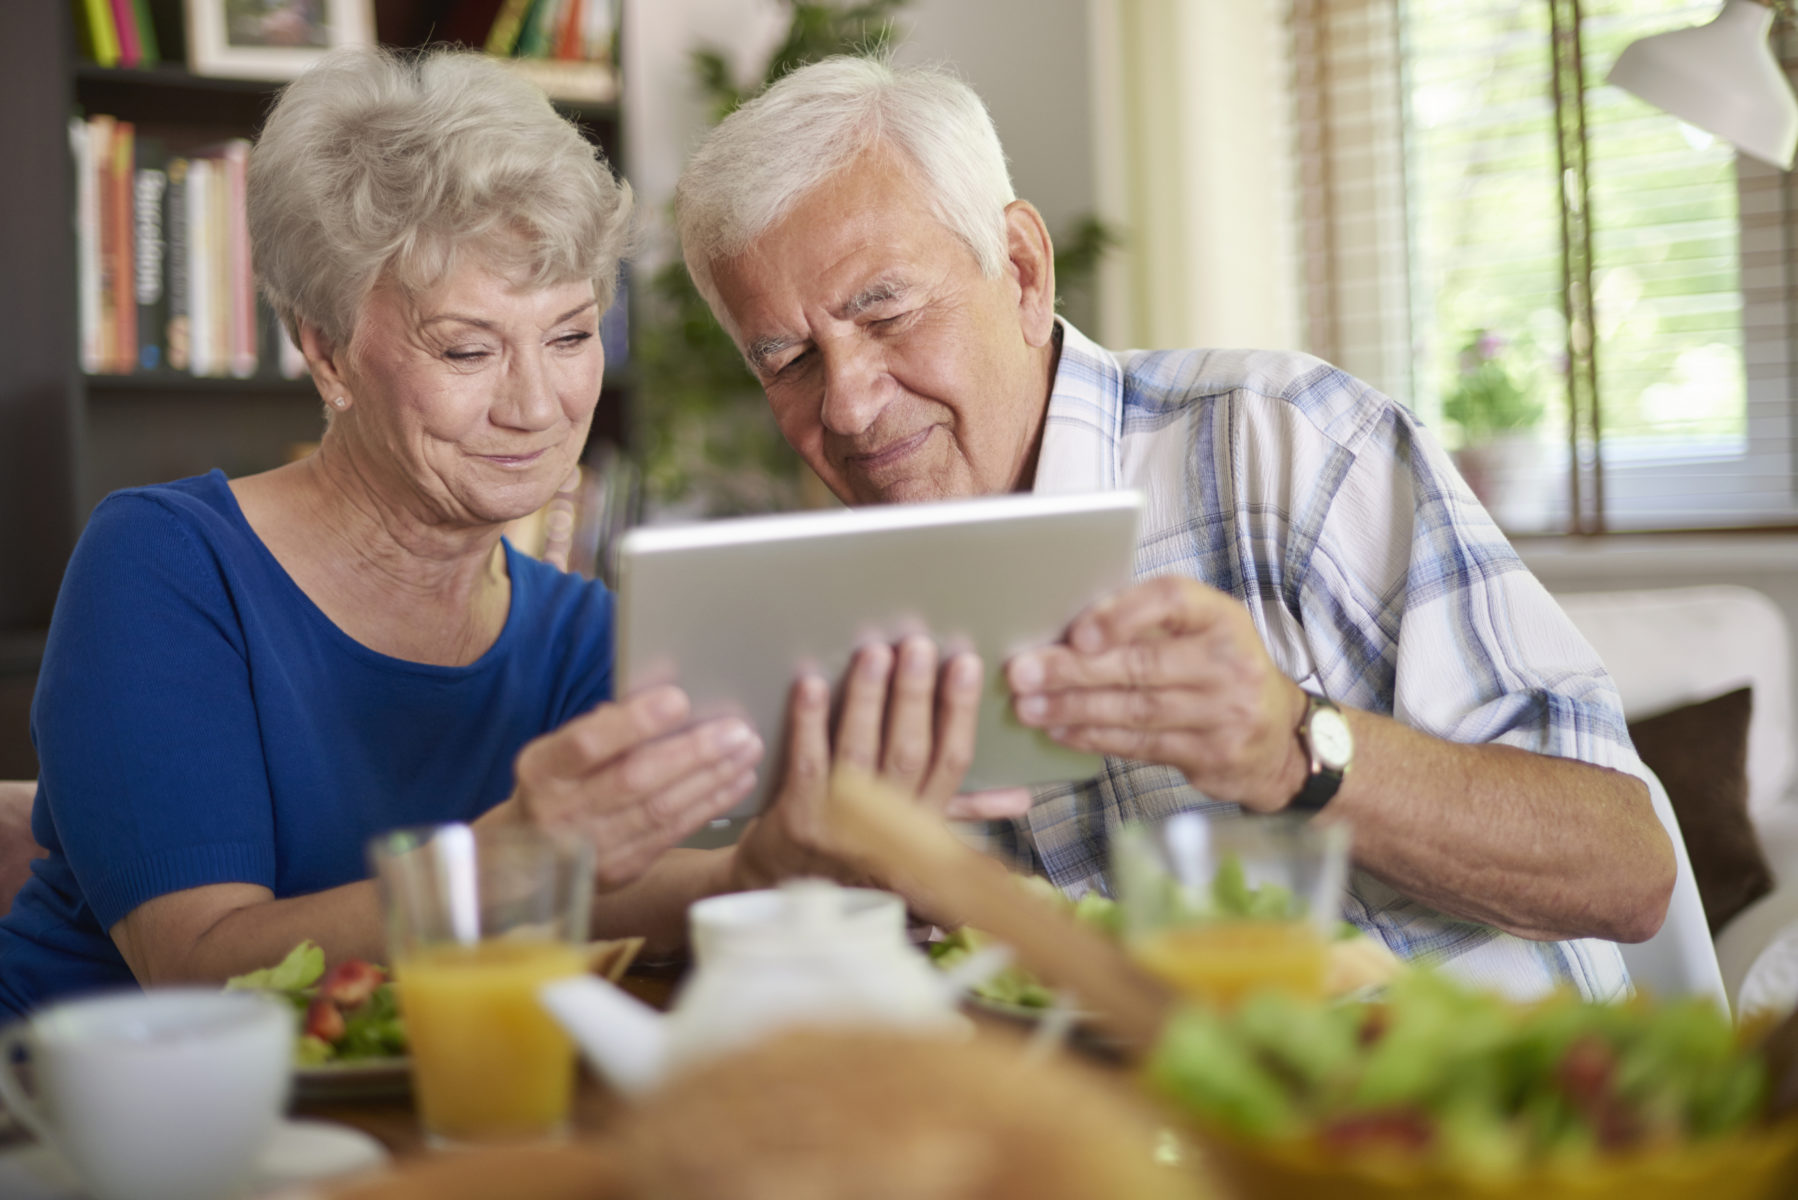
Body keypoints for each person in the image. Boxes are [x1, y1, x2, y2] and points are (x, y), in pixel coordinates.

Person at [0, 47, 1012, 1019]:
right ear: (329, 353)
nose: (536, 405)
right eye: (468, 347)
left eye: (570, 335)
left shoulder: (578, 628)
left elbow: (585, 898)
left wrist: (755, 871)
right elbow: (197, 965)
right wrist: (499, 863)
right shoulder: (170, 567)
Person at [672, 55, 1677, 1001]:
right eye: (788, 361)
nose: (845, 404)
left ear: (1022, 272)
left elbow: (1625, 871)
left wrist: (1293, 749)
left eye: (885, 314)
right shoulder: (831, 602)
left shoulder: (1285, 445)